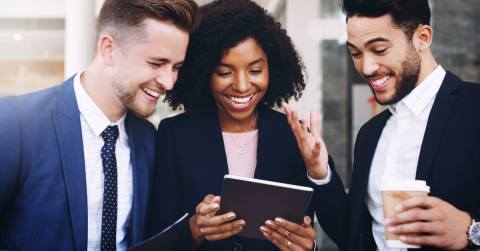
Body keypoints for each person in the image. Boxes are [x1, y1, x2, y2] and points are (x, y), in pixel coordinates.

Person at [0, 0, 200, 250]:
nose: (169, 82)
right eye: (156, 63)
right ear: (108, 49)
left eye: (176, 67)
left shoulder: (148, 138)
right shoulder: (16, 121)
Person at [284, 0, 480, 250]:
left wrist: (471, 229)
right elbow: (351, 235)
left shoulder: (475, 108)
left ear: (422, 37)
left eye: (379, 49)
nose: (366, 68)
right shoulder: (369, 134)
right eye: (355, 53)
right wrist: (320, 173)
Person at [148, 0, 320, 250]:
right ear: (202, 72)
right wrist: (196, 229)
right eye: (224, 72)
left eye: (255, 70)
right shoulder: (175, 135)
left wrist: (309, 247)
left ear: (272, 69)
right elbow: (158, 237)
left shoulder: (293, 135)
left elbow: (314, 227)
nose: (241, 86)